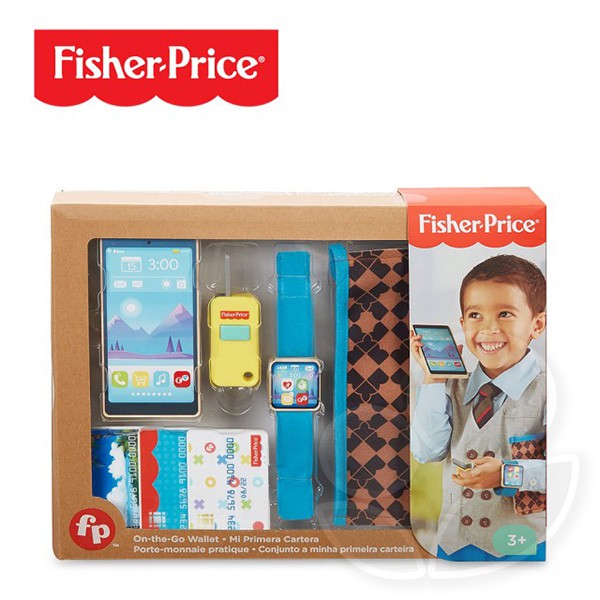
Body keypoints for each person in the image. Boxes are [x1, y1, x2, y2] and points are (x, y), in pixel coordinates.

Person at [411, 255, 547, 561]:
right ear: (462, 324)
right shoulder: (449, 386)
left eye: (505, 314)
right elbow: (428, 451)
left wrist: (507, 474)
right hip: (453, 543)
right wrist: (433, 379)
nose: (488, 329)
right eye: (475, 315)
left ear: (537, 324)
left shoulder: (548, 389)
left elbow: (563, 469)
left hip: (524, 544)